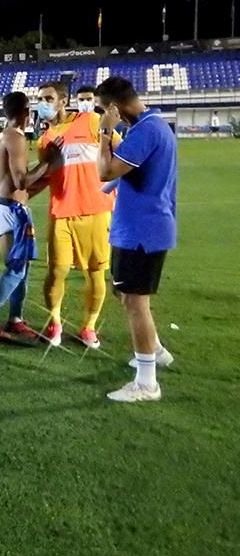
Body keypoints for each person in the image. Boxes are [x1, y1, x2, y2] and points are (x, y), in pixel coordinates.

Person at [96, 76, 177, 403]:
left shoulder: (145, 131)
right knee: (124, 293)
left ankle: (146, 383)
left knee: (135, 302)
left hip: (141, 229)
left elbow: (105, 170)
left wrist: (104, 133)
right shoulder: (152, 126)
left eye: (104, 109)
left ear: (114, 107)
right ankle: (155, 350)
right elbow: (127, 174)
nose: (104, 114)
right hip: (140, 226)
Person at [34, 82, 119, 348]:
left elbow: (120, 155)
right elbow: (45, 176)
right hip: (61, 212)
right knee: (55, 271)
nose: (43, 103)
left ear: (63, 100)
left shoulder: (91, 121)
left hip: (97, 211)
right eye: (40, 99)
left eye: (48, 98)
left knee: (95, 273)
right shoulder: (44, 139)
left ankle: (89, 327)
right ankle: (54, 323)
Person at [0, 91, 60, 342]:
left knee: (23, 266)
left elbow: (17, 183)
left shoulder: (6, 136)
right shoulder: (15, 137)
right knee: (16, 268)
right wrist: (47, 163)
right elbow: (22, 180)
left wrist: (45, 174)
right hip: (10, 210)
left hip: (8, 206)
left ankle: (15, 318)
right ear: (26, 111)